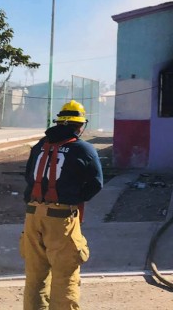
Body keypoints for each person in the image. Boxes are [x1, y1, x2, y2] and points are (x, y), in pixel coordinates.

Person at [21, 100, 103, 310]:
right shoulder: (83, 149)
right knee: (65, 277)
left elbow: (29, 176)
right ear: (80, 125)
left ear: (58, 122)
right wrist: (74, 197)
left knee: (35, 277)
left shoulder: (40, 145)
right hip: (61, 219)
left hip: (32, 216)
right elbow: (96, 183)